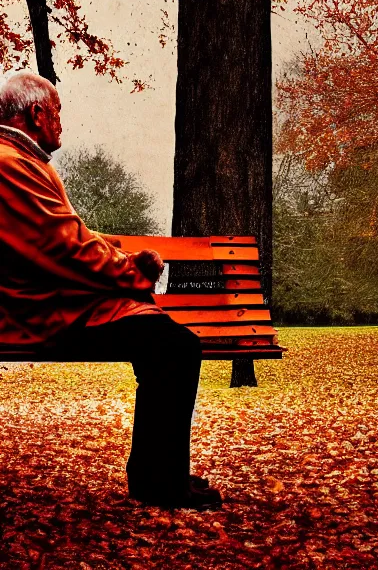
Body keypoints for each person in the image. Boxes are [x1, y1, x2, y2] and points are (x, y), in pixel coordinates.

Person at [0, 70, 222, 511]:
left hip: (53, 303)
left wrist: (121, 253)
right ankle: (159, 481)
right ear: (37, 113)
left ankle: (160, 475)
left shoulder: (20, 161)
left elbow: (70, 234)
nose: (62, 121)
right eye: (58, 111)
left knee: (167, 345)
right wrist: (134, 273)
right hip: (38, 312)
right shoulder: (9, 165)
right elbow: (64, 248)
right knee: (174, 347)